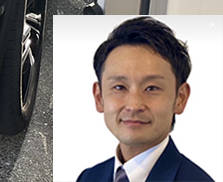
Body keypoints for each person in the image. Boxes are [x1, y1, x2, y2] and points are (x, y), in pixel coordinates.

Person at [77, 17, 214, 182]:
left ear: (180, 98)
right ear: (99, 98)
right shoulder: (89, 177)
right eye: (120, 87)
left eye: (152, 88)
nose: (134, 105)